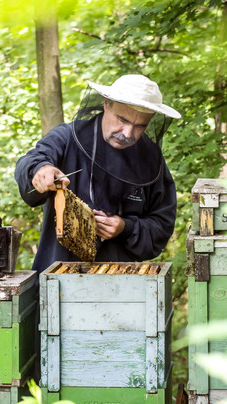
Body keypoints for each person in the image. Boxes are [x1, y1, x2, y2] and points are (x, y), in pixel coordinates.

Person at [15, 74, 180, 274]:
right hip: (57, 277)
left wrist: (125, 227)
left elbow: (161, 225)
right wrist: (40, 169)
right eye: (122, 119)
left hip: (123, 286)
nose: (127, 133)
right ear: (106, 104)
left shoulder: (151, 159)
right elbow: (30, 160)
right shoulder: (67, 137)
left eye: (140, 126)